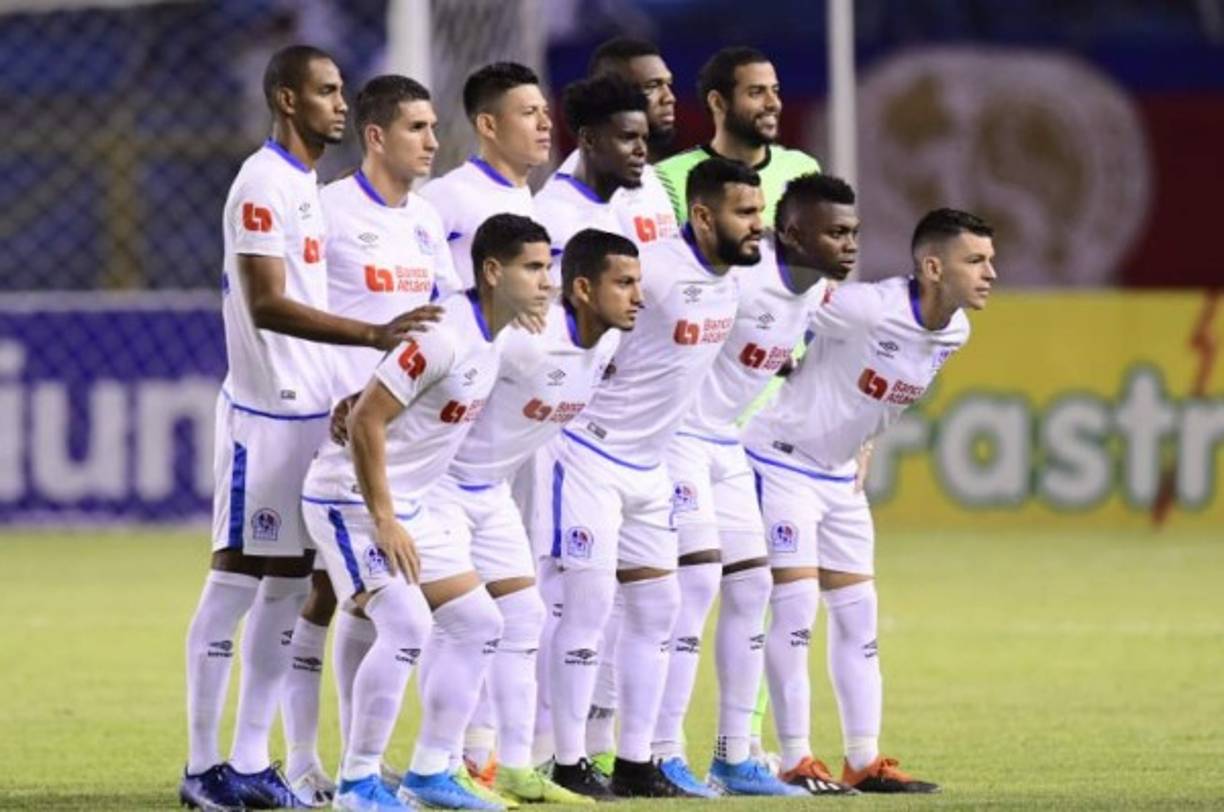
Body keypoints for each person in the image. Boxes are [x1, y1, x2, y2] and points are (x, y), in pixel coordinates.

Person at [180, 45, 435, 812]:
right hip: (263, 418)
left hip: (307, 412)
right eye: (325, 92)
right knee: (232, 583)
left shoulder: (304, 185)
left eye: (341, 91)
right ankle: (201, 769)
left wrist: (341, 388)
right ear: (287, 100)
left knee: (289, 591)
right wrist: (368, 337)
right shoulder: (261, 183)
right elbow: (265, 303)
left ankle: (253, 763)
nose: (339, 104)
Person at [301, 214, 553, 811]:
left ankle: (429, 773)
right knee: (409, 625)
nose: (547, 281)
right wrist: (384, 518)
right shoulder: (443, 333)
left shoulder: (494, 336)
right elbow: (366, 417)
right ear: (493, 272)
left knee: (478, 622)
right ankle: (358, 785)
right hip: (349, 500)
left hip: (409, 506)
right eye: (534, 268)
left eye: (549, 268)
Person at [745, 208, 998, 795]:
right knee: (796, 608)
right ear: (933, 266)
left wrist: (868, 439)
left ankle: (863, 760)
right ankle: (796, 759)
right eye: (976, 260)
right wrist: (777, 360)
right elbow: (795, 307)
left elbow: (881, 395)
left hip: (840, 480)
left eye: (990, 259)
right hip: (781, 460)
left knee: (859, 618)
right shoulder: (866, 307)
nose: (991, 272)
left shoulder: (956, 331)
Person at [546, 157, 764, 800]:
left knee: (658, 609)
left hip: (652, 467)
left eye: (759, 212)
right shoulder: (657, 271)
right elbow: (591, 342)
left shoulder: (732, 283)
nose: (758, 226)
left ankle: (637, 763)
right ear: (702, 216)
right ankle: (567, 762)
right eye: (744, 214)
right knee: (585, 609)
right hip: (590, 457)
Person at [278, 73, 459, 806]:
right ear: (377, 135)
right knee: (314, 594)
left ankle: (359, 760)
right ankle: (297, 761)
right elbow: (294, 313)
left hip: (395, 441)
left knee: (360, 597)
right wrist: (331, 393)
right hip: (329, 430)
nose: (433, 142)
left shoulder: (425, 221)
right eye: (419, 128)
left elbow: (445, 317)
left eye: (435, 127)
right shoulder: (326, 213)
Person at [650, 173, 860, 797]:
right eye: (837, 233)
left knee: (752, 585)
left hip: (725, 444)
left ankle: (732, 755)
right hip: (677, 440)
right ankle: (659, 753)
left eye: (853, 232)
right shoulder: (743, 276)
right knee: (692, 587)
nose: (850, 245)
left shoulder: (819, 292)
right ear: (792, 234)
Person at [430, 228, 641, 805]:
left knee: (522, 617)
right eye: (624, 283)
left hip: (491, 490)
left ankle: (516, 766)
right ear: (582, 288)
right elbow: (448, 351)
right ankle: (447, 764)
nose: (638, 297)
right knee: (461, 624)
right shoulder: (523, 340)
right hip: (442, 485)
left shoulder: (606, 344)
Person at [655, 46, 820, 228]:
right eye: (756, 92)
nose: (773, 103)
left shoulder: (803, 169)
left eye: (775, 90)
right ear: (717, 102)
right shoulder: (666, 178)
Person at [420, 62, 551, 289]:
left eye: (545, 112)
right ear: (488, 125)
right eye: (529, 113)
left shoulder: (527, 198)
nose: (545, 124)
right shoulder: (448, 194)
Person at [554, 37, 679, 246]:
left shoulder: (655, 181)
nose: (669, 97)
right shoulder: (564, 208)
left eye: (668, 84)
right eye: (652, 86)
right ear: (611, 92)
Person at [533, 75, 649, 262]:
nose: (641, 150)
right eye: (628, 137)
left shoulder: (616, 209)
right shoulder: (550, 215)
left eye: (644, 139)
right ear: (588, 139)